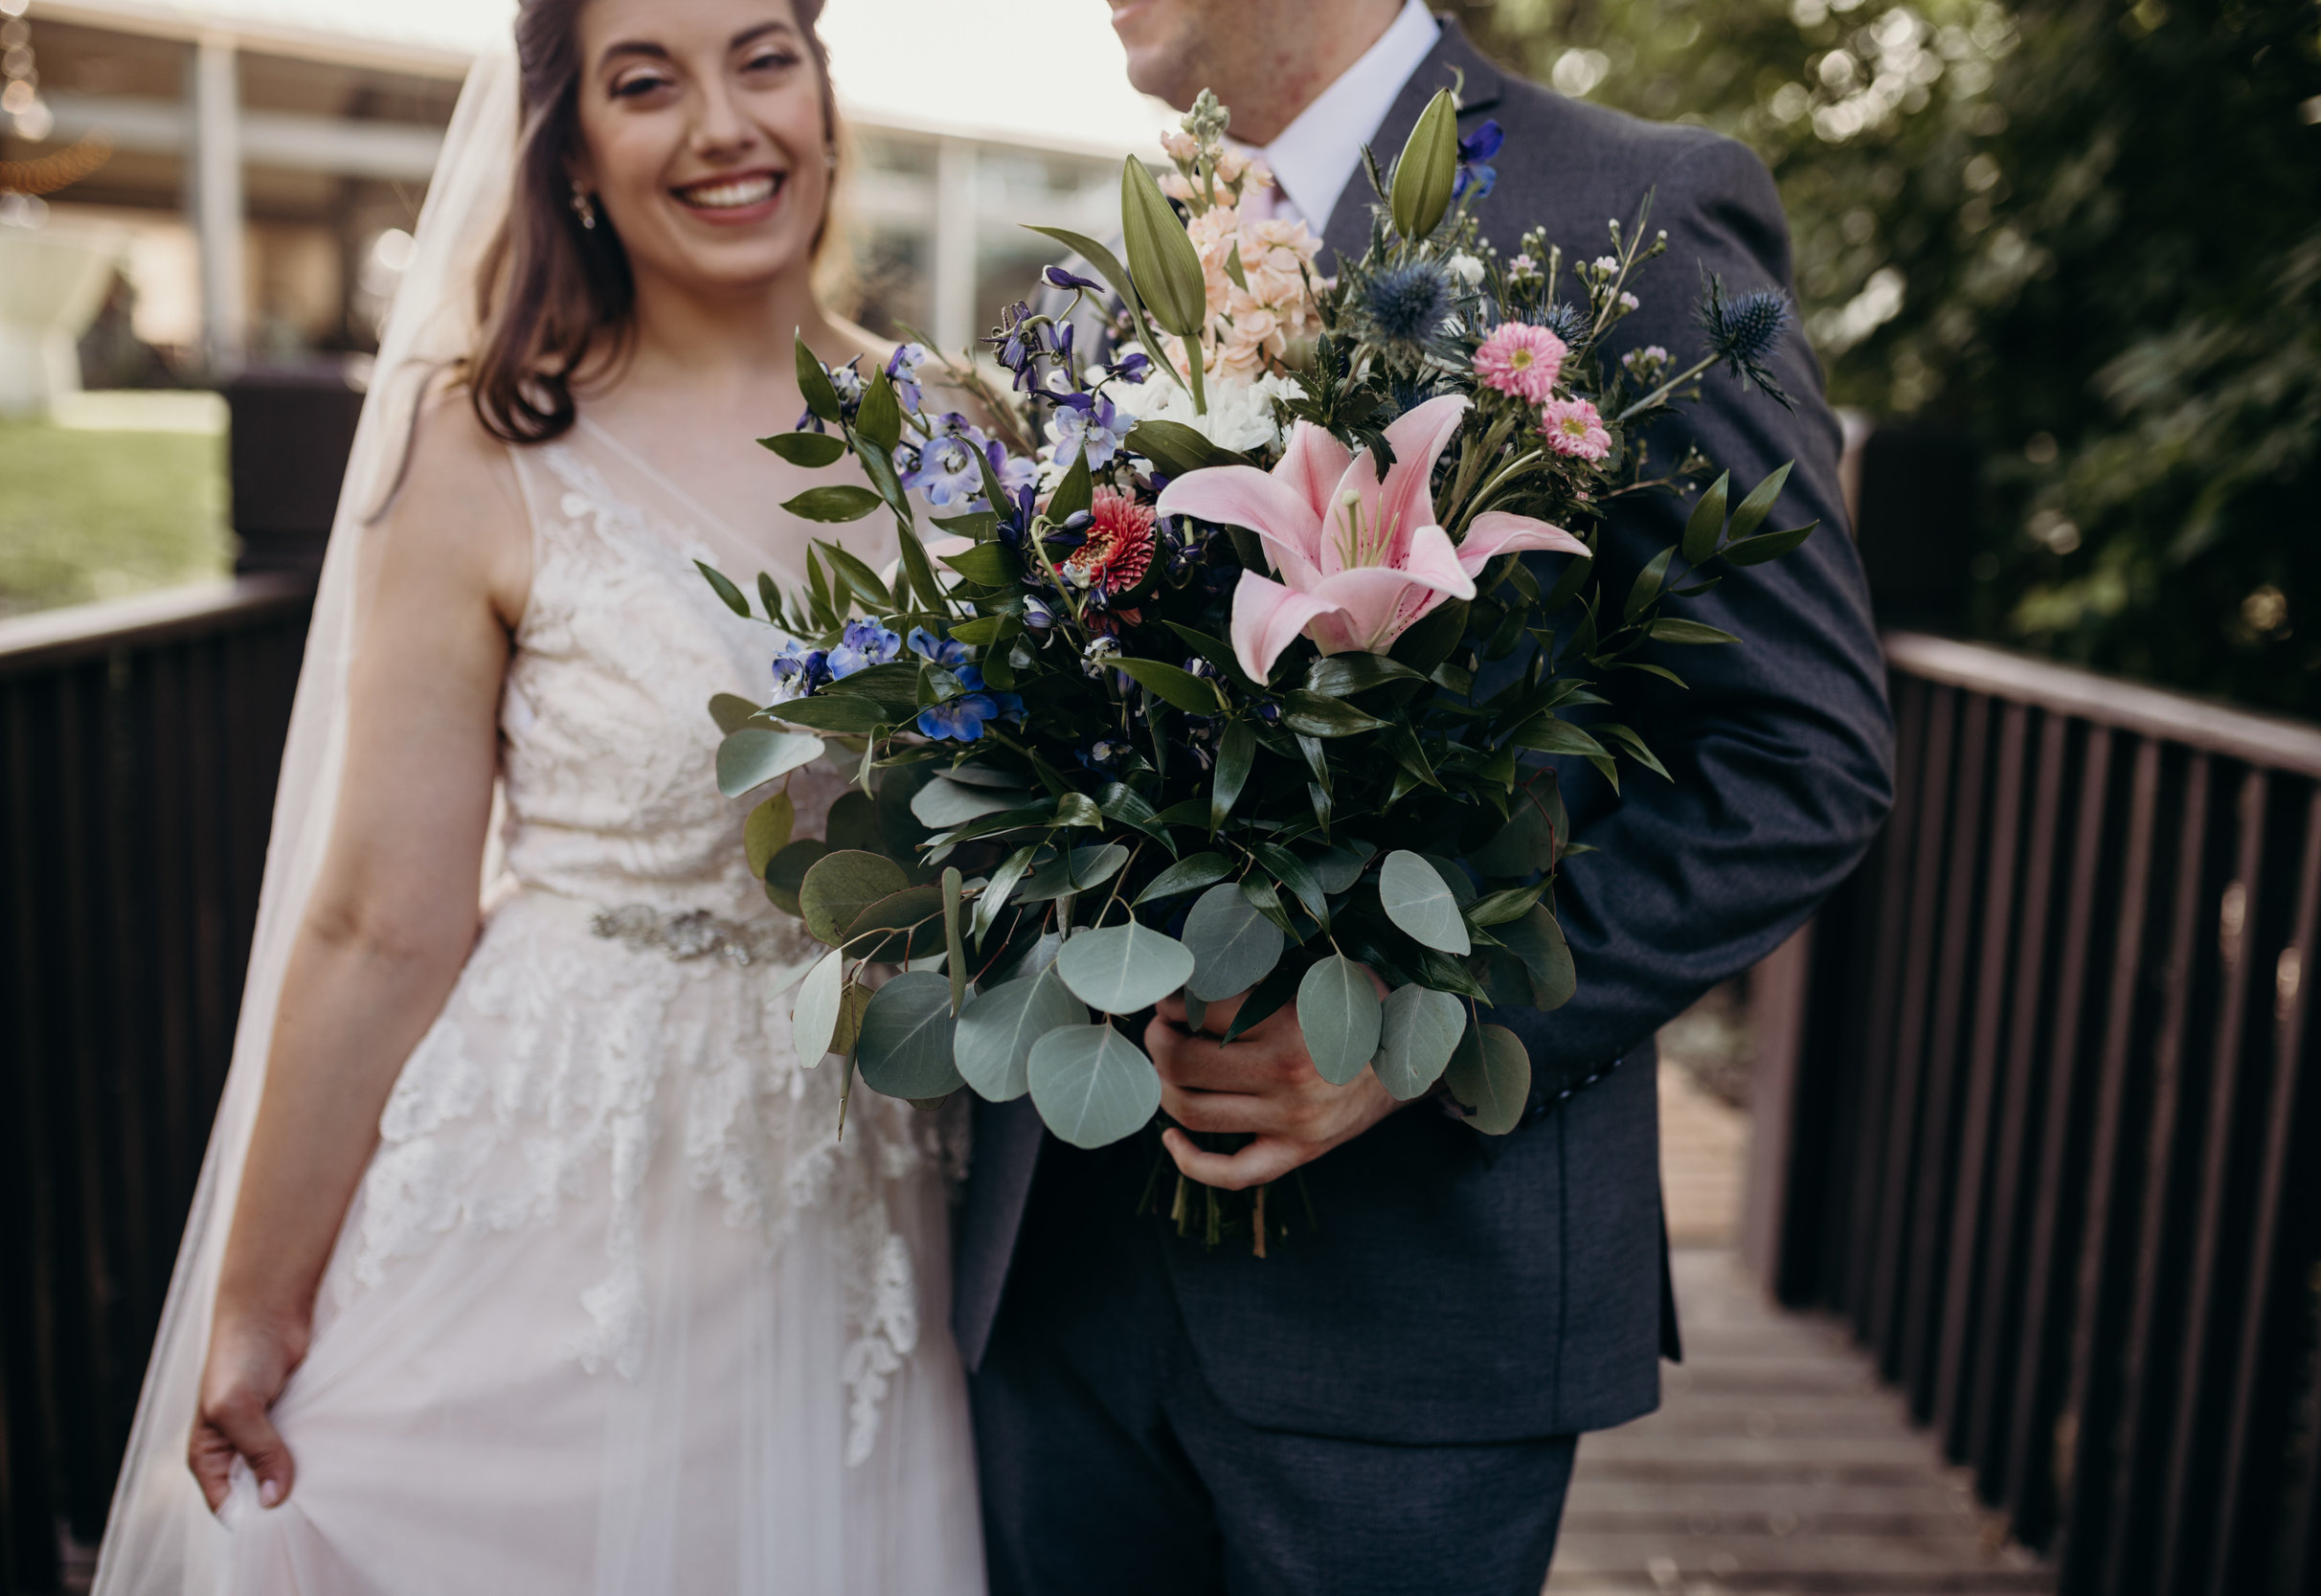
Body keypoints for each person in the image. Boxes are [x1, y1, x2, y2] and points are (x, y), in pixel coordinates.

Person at [958, 3, 1897, 1592]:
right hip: (1061, 1287)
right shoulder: (1136, 265)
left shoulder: (1644, 215)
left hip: (1409, 1329)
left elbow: (1803, 756)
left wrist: (1421, 1034)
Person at [91, 2, 983, 1591]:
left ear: (824, 93)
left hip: (867, 1184)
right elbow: (379, 922)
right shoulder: (484, 447)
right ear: (570, 149)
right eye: (648, 83)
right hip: (566, 1175)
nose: (723, 125)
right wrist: (259, 1300)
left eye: (762, 57)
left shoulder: (971, 436)